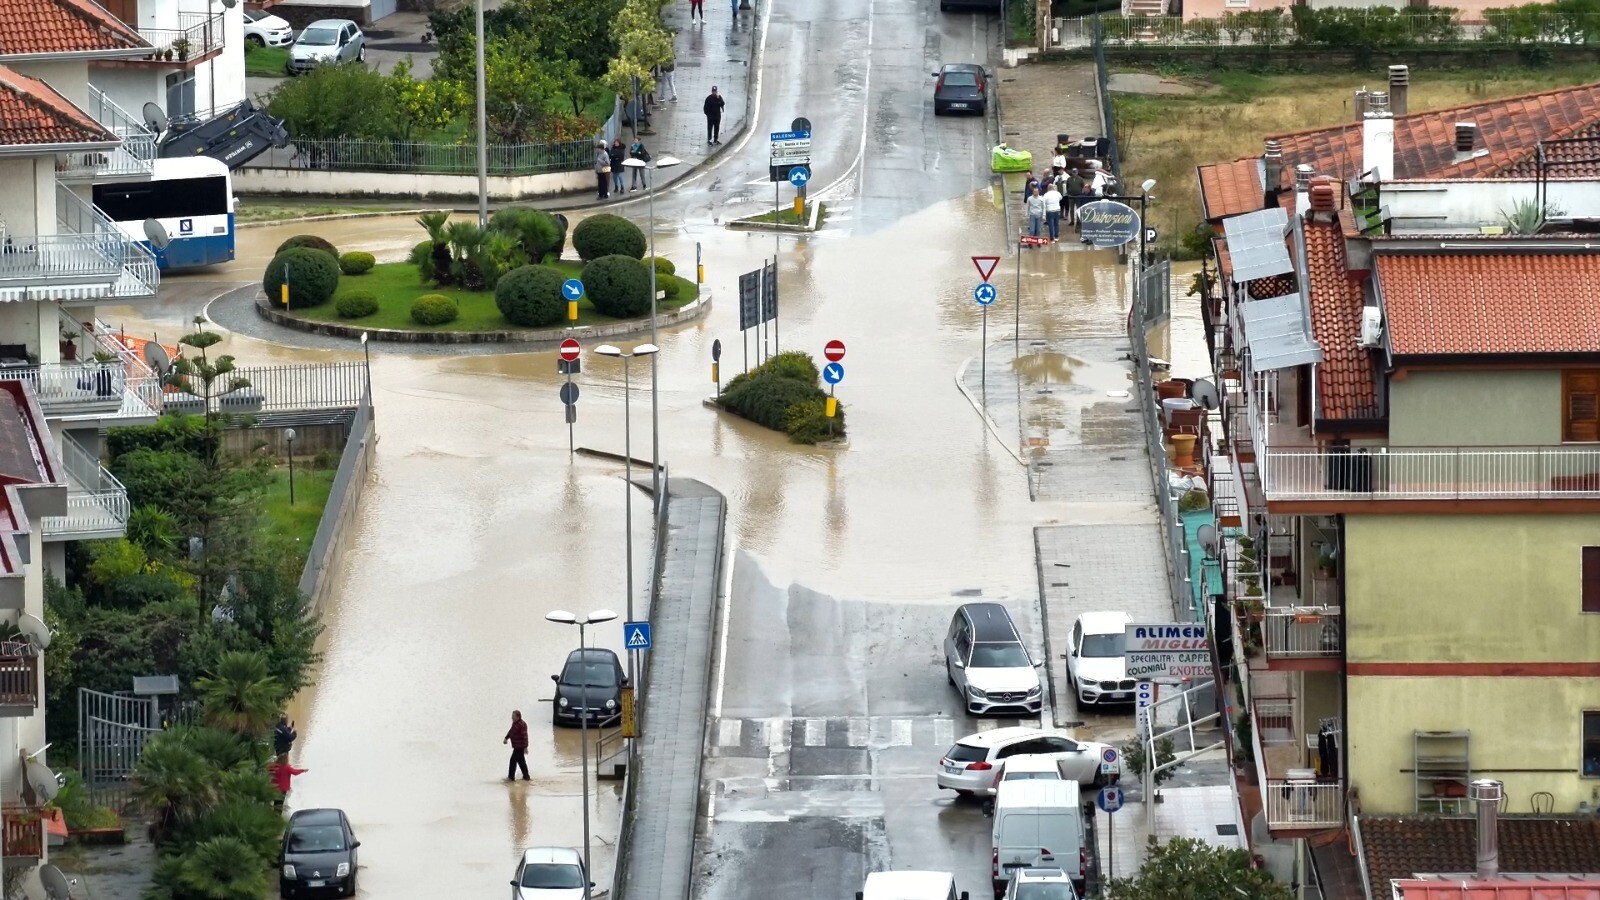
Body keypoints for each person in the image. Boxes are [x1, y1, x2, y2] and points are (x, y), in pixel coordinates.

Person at [504, 709, 530, 781]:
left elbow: (525, 736)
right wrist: (506, 738)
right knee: (521, 762)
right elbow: (511, 732)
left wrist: (525, 747)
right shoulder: (515, 724)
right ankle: (526, 777)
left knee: (513, 761)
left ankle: (511, 778)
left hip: (520, 747)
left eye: (513, 716)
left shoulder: (522, 725)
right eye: (512, 716)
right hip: (516, 746)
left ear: (518, 717)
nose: (512, 718)